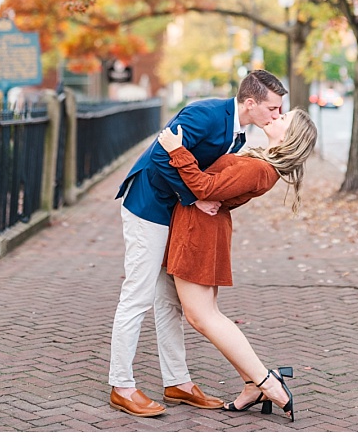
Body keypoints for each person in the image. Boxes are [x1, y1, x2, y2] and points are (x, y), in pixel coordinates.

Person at [108, 70, 286, 417]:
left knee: (168, 301)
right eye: (273, 109)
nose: (276, 115)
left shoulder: (238, 133)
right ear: (250, 103)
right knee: (137, 296)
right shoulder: (205, 114)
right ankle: (121, 385)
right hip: (148, 206)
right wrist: (194, 197)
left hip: (173, 212)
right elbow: (162, 155)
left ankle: (178, 382)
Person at [156, 107, 318, 421]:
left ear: (290, 136)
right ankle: (252, 384)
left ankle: (267, 382)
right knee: (206, 315)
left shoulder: (260, 168)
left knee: (202, 317)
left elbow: (204, 188)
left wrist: (177, 151)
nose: (277, 116)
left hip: (199, 234)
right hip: (201, 230)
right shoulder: (261, 162)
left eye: (284, 118)